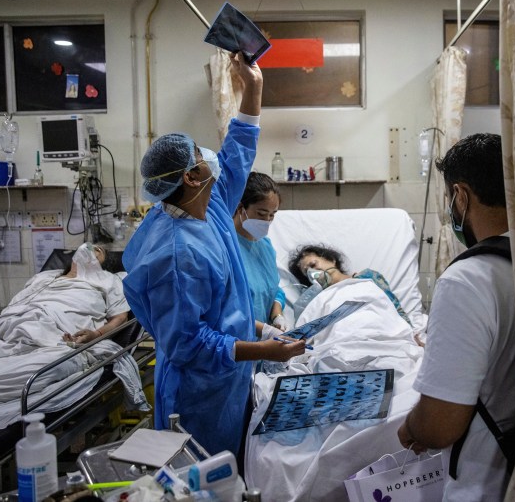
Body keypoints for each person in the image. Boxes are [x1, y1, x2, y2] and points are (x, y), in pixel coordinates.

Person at [122, 53, 305, 458]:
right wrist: (263, 350)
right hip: (197, 399)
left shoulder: (211, 203)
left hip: (229, 382)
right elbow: (189, 344)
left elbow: (237, 153)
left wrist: (252, 88)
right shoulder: (176, 254)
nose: (212, 159)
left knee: (232, 475)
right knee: (202, 482)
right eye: (202, 157)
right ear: (190, 177)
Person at [396, 133, 515, 500]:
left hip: (491, 481)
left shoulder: (468, 280)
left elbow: (439, 426)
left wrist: (412, 426)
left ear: (461, 196)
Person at [0, 242, 129, 344]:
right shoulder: (45, 277)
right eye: (88, 246)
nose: (89, 248)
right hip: (19, 324)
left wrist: (96, 335)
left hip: (60, 327)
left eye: (97, 251)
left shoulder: (109, 280)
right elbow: (13, 310)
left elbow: (120, 317)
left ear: (101, 266)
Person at [288, 244, 412, 326]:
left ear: (331, 259)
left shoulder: (368, 277)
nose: (312, 272)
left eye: (313, 265)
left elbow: (394, 308)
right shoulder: (316, 297)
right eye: (306, 272)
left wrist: (411, 335)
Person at [233, 171, 288, 337]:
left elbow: (273, 289)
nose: (267, 221)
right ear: (240, 207)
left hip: (263, 347)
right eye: (261, 214)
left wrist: (277, 315)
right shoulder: (226, 249)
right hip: (237, 347)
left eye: (272, 215)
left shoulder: (266, 247)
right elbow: (227, 311)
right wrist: (265, 331)